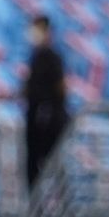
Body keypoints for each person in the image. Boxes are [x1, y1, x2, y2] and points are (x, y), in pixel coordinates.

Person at [24, 14, 68, 191]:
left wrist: (50, 109)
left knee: (53, 160)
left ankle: (63, 205)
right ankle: (36, 205)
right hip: (35, 116)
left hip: (49, 118)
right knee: (34, 162)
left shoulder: (51, 56)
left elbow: (61, 87)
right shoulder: (35, 56)